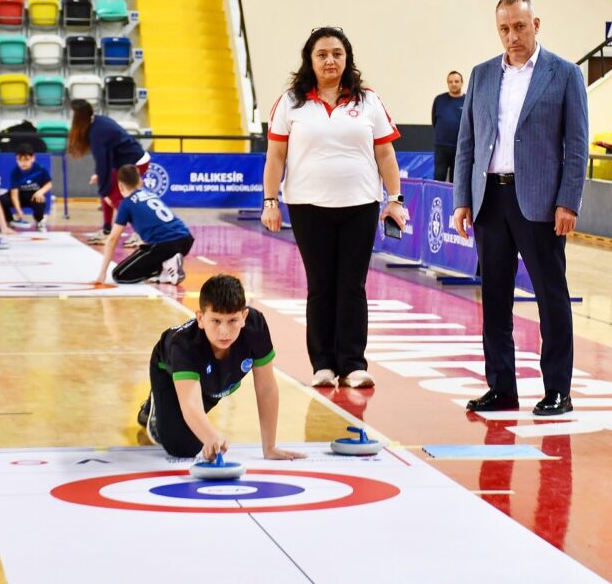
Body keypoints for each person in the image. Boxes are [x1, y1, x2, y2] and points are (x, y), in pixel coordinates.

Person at [451, 0, 588, 417]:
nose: (512, 36)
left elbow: (577, 145)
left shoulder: (564, 74)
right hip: (490, 198)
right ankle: (501, 387)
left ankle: (558, 391)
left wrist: (568, 201)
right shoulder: (482, 74)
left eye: (520, 27)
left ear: (537, 24)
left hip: (541, 203)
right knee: (493, 299)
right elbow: (467, 143)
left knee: (551, 298)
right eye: (504, 29)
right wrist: (462, 199)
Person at [262, 27, 406, 390]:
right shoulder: (290, 103)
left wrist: (394, 199)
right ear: (310, 60)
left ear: (347, 58)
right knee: (321, 286)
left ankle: (353, 364)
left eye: (337, 54)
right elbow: (275, 156)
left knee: (352, 286)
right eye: (322, 54)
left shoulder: (369, 101)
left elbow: (385, 153)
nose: (330, 60)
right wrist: (270, 202)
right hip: (308, 208)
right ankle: (323, 364)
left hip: (360, 206)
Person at [138, 274, 305, 462]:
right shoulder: (184, 345)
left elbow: (266, 388)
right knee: (183, 447)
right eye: (216, 321)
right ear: (200, 318)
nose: (224, 331)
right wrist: (211, 437)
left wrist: (270, 447)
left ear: (244, 317)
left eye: (232, 320)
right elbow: (191, 404)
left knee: (203, 415)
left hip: (213, 384)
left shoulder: (255, 326)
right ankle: (154, 405)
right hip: (168, 372)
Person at [65, 99, 149, 246]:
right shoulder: (96, 123)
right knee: (107, 191)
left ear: (79, 117)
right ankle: (106, 230)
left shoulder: (97, 132)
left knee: (114, 196)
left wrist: (104, 190)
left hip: (136, 161)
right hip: (126, 160)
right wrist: (102, 182)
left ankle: (142, 233)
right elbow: (107, 157)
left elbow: (103, 161)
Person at [92, 164, 193, 285]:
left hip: (166, 245)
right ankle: (166, 270)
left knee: (119, 275)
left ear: (120, 186)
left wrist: (102, 273)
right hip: (186, 240)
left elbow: (113, 239)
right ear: (139, 181)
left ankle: (167, 264)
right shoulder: (150, 194)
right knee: (142, 251)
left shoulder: (126, 204)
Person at [0, 143, 52, 231]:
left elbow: (49, 183)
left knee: (40, 199)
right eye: (20, 160)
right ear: (16, 159)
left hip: (33, 195)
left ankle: (39, 221)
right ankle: (9, 221)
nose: (23, 163)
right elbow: (14, 194)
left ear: (33, 158)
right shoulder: (15, 172)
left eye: (26, 160)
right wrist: (18, 210)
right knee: (2, 199)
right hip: (19, 195)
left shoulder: (40, 169)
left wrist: (40, 192)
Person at [432, 71, 466, 182]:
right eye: (450, 82)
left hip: (460, 147)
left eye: (456, 81)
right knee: (439, 176)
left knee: (456, 179)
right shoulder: (439, 100)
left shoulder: (467, 101)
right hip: (441, 147)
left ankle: (454, 200)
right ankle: (436, 199)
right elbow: (434, 120)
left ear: (462, 83)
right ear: (447, 83)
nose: (453, 84)